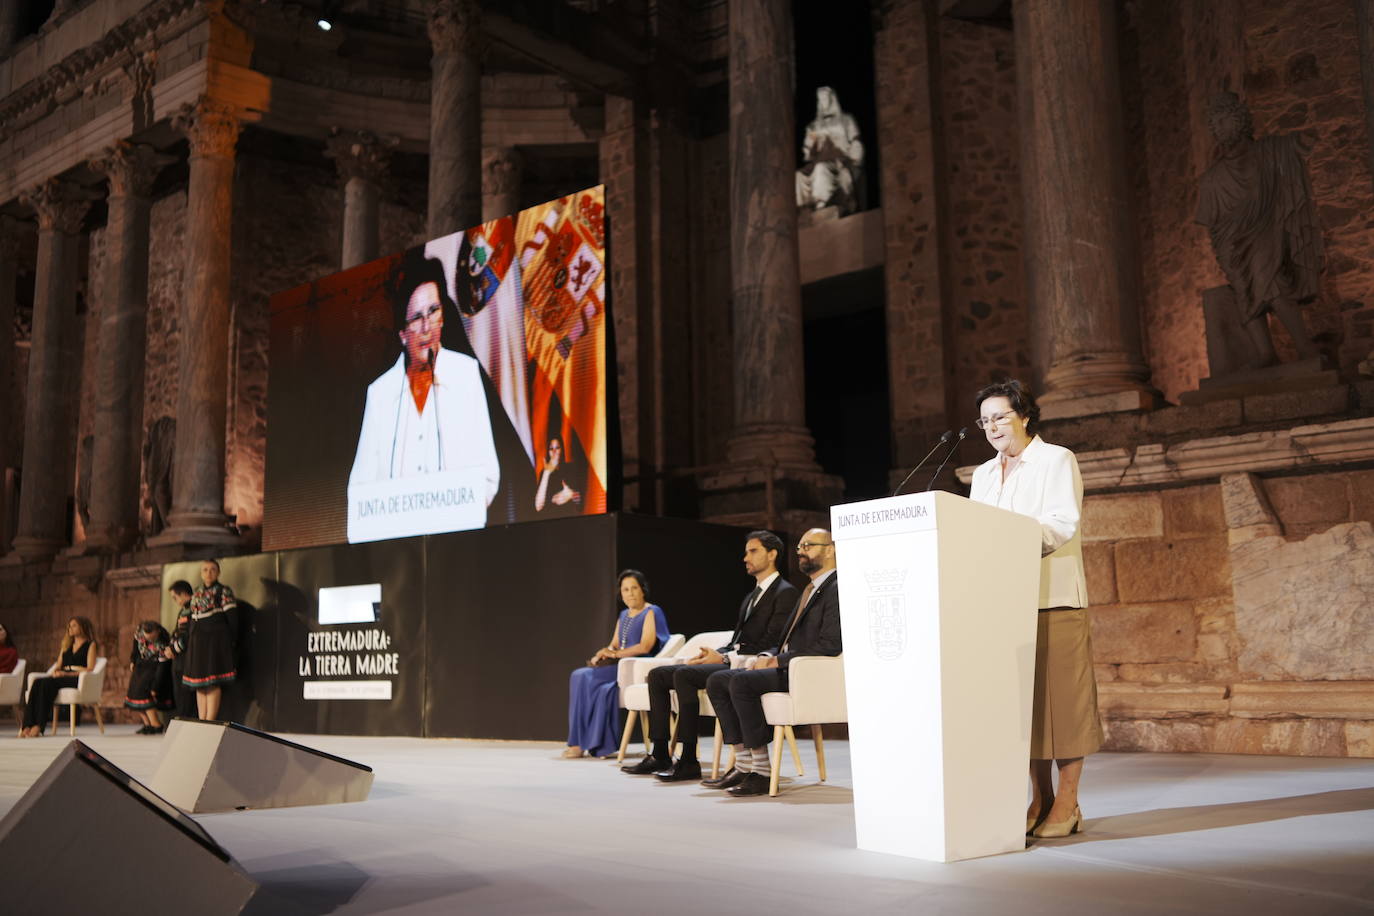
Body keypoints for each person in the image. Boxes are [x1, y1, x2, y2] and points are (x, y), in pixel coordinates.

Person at [968, 379, 1100, 839]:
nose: (992, 427)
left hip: (1052, 597)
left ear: (1024, 416)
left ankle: (1068, 801)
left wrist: (1006, 545)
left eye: (1000, 416)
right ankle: (1038, 797)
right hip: (1003, 605)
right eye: (985, 420)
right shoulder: (982, 474)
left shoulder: (1056, 459)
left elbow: (1062, 523)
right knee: (1024, 708)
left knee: (1063, 705)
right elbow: (971, 531)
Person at [348, 248, 501, 540]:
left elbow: (487, 473)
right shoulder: (380, 394)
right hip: (395, 551)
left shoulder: (466, 374)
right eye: (416, 318)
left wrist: (455, 517)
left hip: (455, 542)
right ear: (403, 334)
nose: (427, 327)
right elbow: (359, 488)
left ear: (443, 316)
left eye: (433, 311)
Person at [622, 530, 796, 780]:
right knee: (658, 675)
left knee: (684, 676)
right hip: (733, 660)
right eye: (746, 551)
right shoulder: (751, 596)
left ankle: (689, 760)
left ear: (772, 554)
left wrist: (724, 659)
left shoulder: (785, 592)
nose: (745, 557)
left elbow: (773, 641)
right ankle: (660, 751)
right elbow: (737, 640)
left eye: (753, 551)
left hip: (750, 665)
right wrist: (718, 653)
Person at [703, 529, 842, 797]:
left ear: (830, 549)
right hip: (789, 666)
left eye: (809, 545)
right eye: (800, 546)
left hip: (807, 672)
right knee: (718, 680)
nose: (801, 551)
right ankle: (744, 765)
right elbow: (785, 639)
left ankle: (763, 772)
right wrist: (767, 657)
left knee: (741, 682)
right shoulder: (809, 590)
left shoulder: (836, 588)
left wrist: (778, 660)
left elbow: (830, 645)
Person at [564, 570, 669, 759]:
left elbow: (645, 646)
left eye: (634, 588)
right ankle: (578, 742)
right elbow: (614, 644)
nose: (630, 593)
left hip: (634, 666)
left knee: (581, 675)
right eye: (625, 589)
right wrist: (603, 653)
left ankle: (585, 743)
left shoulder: (651, 611)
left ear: (643, 590)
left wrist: (615, 654)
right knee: (579, 675)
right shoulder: (624, 615)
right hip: (618, 664)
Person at [20, 616, 98, 738]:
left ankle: (39, 726)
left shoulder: (90, 645)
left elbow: (90, 668)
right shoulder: (66, 645)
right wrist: (57, 671)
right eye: (69, 626)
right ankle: (27, 725)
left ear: (82, 627)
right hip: (62, 676)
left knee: (46, 684)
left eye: (74, 625)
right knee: (37, 683)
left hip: (77, 678)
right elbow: (58, 665)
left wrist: (67, 674)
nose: (70, 628)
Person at [183, 560, 238, 721]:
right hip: (198, 642)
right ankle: (202, 719)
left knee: (213, 682)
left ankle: (210, 719)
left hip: (215, 642)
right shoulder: (196, 593)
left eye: (213, 570)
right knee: (200, 683)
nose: (209, 573)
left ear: (218, 572)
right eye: (205, 570)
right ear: (201, 573)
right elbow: (191, 619)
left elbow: (232, 619)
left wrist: (231, 641)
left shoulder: (223, 591)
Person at [126, 620, 173, 734]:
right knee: (135, 694)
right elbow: (135, 648)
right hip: (140, 665)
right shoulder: (139, 633)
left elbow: (163, 667)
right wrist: (133, 660)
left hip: (154, 667)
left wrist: (155, 687)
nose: (148, 641)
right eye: (147, 638)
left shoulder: (163, 642)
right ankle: (147, 724)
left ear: (157, 632)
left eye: (151, 638)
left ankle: (156, 724)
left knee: (145, 695)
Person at [163, 580, 199, 720]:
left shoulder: (191, 609)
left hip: (187, 657)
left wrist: (173, 649)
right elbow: (177, 632)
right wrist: (169, 648)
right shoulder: (183, 609)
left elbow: (187, 635)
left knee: (185, 693)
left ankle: (187, 720)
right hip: (180, 657)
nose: (174, 600)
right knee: (180, 692)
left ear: (183, 594)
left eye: (175, 597)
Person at [533, 434, 582, 516]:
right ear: (548, 452)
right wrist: (546, 473)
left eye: (557, 447)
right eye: (551, 448)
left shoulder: (570, 468)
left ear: (562, 450)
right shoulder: (544, 473)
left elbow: (580, 501)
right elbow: (538, 507)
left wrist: (571, 494)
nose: (554, 451)